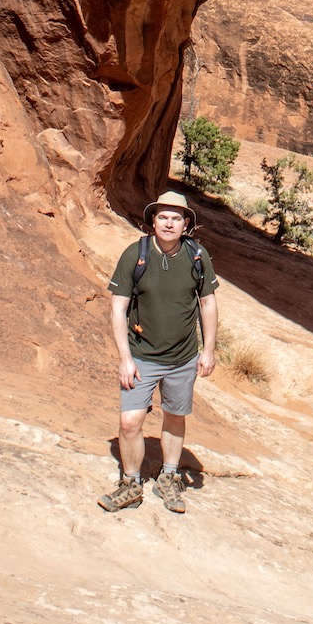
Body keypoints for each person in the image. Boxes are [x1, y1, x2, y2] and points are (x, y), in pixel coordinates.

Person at [99, 187, 219, 514]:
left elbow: (207, 303)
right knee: (129, 422)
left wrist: (208, 350)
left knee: (175, 417)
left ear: (185, 224)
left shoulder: (197, 256)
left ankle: (169, 477)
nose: (168, 223)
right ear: (153, 221)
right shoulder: (135, 255)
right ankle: (131, 482)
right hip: (141, 355)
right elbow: (117, 308)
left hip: (182, 357)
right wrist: (124, 358)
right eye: (163, 217)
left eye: (176, 218)